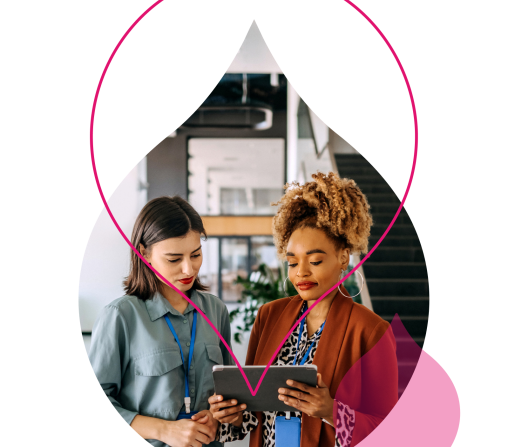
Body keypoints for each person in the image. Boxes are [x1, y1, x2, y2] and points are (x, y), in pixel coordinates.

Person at [208, 172, 398, 447]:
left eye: (316, 260)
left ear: (343, 257)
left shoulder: (371, 331)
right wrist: (232, 415)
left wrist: (329, 411)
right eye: (292, 262)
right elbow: (250, 413)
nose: (301, 273)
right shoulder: (269, 316)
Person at [89, 196, 235, 447]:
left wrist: (217, 417)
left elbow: (230, 392)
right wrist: (164, 430)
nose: (189, 269)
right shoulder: (120, 316)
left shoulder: (216, 310)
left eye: (196, 254)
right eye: (174, 259)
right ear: (144, 253)